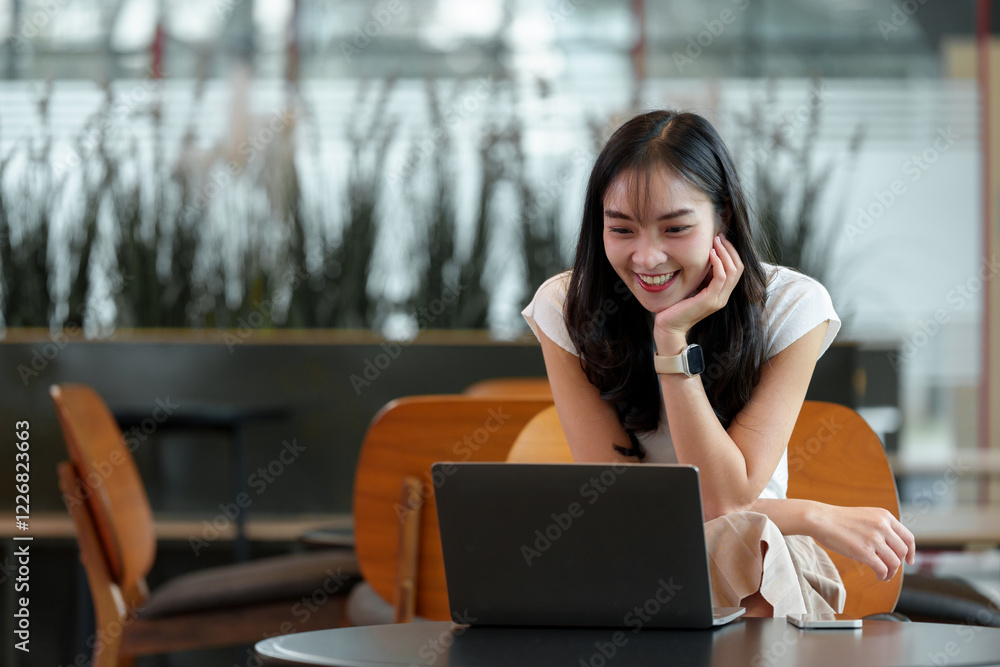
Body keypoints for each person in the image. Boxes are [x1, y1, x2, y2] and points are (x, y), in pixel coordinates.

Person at [521, 109, 915, 617]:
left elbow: (727, 503)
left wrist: (672, 342)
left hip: (757, 563)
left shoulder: (791, 306)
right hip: (635, 557)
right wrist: (811, 515)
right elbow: (621, 501)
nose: (647, 258)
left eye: (675, 228)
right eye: (621, 229)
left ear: (722, 216)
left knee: (744, 547)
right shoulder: (566, 307)